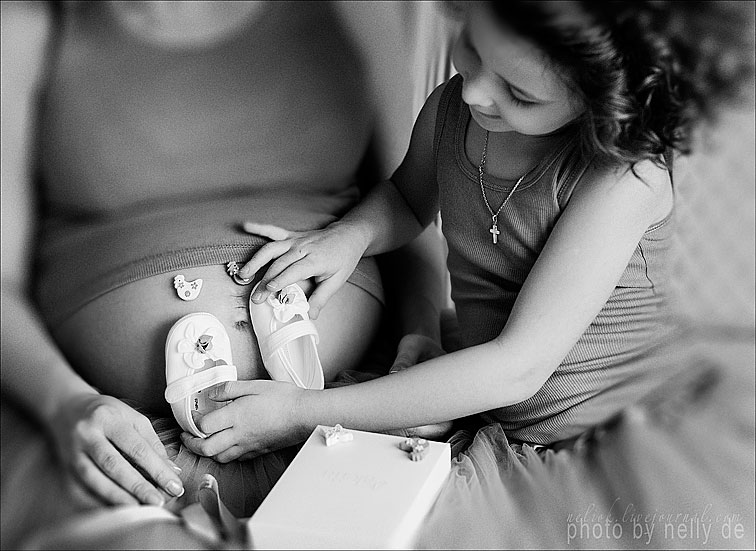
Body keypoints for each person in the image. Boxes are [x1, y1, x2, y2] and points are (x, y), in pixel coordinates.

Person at [180, 0, 753, 474]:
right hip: (492, 393)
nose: (476, 92)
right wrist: (349, 236)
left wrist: (303, 412)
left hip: (596, 433)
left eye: (519, 94)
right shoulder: (454, 108)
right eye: (473, 48)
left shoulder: (623, 178)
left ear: (603, 102)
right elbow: (408, 199)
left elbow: (518, 366)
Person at [0, 0, 454, 539]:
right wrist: (66, 406)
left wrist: (422, 335)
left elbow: (408, 212)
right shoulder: (27, 25)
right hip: (115, 426)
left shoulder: (355, 9)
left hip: (347, 409)